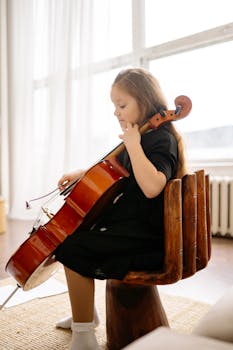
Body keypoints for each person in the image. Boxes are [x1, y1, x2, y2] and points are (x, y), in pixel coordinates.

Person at [54, 67, 187, 350]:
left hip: (149, 240)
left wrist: (135, 146)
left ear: (145, 100)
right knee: (74, 233)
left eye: (122, 104)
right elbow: (115, 172)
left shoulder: (160, 138)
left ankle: (84, 336)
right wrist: (83, 174)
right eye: (114, 105)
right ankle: (86, 314)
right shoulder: (141, 135)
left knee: (70, 247)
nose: (116, 111)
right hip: (136, 229)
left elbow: (152, 186)